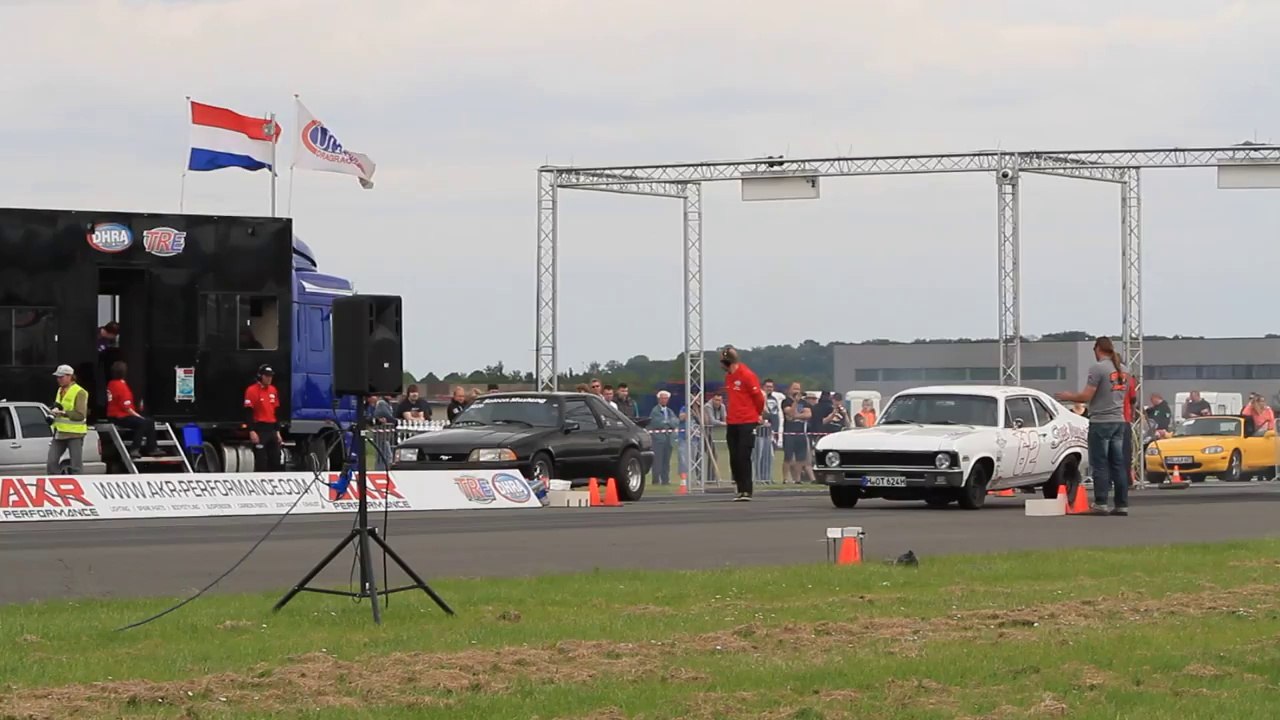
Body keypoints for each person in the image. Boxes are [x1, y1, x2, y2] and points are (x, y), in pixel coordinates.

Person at [1056, 337, 1130, 516]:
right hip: (1119, 420)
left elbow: (1086, 396)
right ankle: (1121, 504)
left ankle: (1101, 503)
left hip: (1101, 421)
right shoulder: (1124, 370)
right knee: (1118, 465)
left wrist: (1068, 396)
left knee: (1100, 464)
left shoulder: (1098, 369)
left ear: (1098, 348)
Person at [720, 346, 766, 502]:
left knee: (743, 455)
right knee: (734, 457)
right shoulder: (728, 377)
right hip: (732, 421)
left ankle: (747, 490)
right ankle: (739, 488)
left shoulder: (747, 375)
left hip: (747, 421)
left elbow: (758, 397)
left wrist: (758, 414)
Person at [105, 360, 159, 458]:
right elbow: (127, 408)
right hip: (119, 416)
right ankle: (135, 449)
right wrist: (139, 416)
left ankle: (152, 448)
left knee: (150, 421)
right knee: (143, 423)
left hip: (113, 414)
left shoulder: (111, 383)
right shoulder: (121, 386)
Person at [47, 364, 89, 473]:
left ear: (70, 376)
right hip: (60, 432)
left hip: (75, 433)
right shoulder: (60, 390)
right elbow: (59, 404)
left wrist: (63, 412)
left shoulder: (80, 392)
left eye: (61, 377)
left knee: (76, 465)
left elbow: (80, 415)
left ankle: (78, 485)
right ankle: (54, 485)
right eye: (57, 377)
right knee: (51, 462)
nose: (58, 379)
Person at [243, 364, 283, 472]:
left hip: (272, 429)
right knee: (261, 460)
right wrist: (251, 431)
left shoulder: (273, 390)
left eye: (270, 376)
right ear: (260, 376)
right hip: (260, 429)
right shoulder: (251, 390)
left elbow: (276, 411)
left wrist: (278, 431)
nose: (269, 378)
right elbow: (248, 412)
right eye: (266, 376)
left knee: (275, 459)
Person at [648, 391, 679, 485]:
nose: (664, 400)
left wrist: (667, 422)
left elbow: (675, 422)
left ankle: (665, 480)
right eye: (662, 398)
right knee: (657, 461)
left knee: (666, 461)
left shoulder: (669, 411)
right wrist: (668, 423)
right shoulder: (655, 411)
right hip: (658, 440)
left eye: (666, 398)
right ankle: (656, 480)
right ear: (658, 399)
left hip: (668, 440)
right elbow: (657, 423)